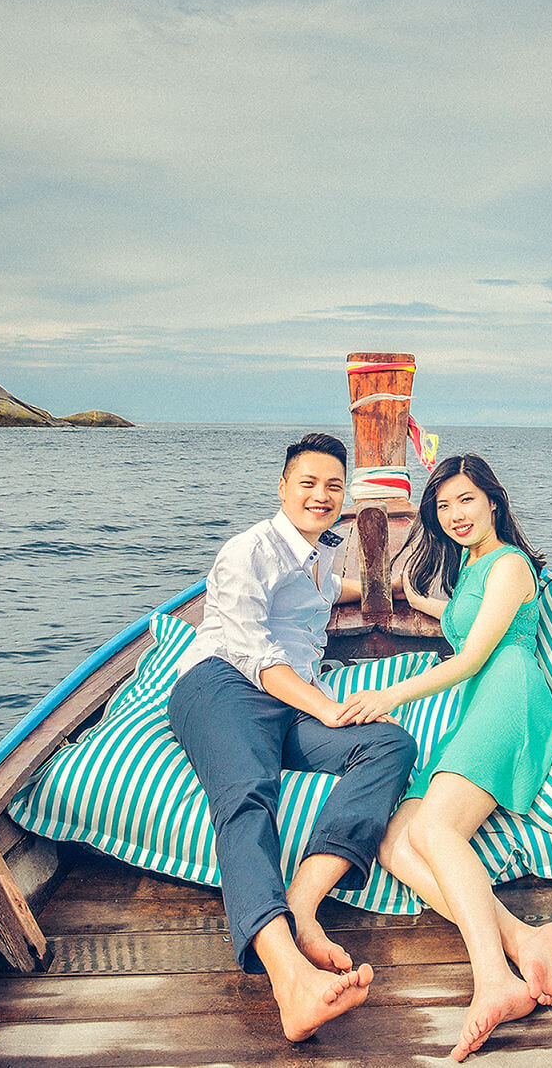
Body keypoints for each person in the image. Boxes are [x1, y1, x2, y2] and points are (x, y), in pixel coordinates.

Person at [166, 432, 419, 1042]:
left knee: (389, 743)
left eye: (334, 486)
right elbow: (254, 656)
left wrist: (413, 593)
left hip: (289, 704)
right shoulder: (246, 550)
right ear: (282, 487)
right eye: (307, 483)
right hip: (222, 686)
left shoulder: (323, 554)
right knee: (248, 794)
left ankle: (305, 904)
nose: (321, 496)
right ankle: (289, 980)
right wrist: (328, 710)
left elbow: (336, 595)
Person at [334, 453, 552, 1061]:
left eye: (466, 499)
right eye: (443, 506)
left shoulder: (512, 563)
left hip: (509, 693)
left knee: (436, 829)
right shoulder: (474, 565)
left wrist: (386, 695)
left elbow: (470, 658)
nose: (455, 514)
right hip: (479, 698)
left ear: (494, 499)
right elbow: (469, 622)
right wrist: (417, 596)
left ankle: (494, 980)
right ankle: (524, 939)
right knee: (392, 840)